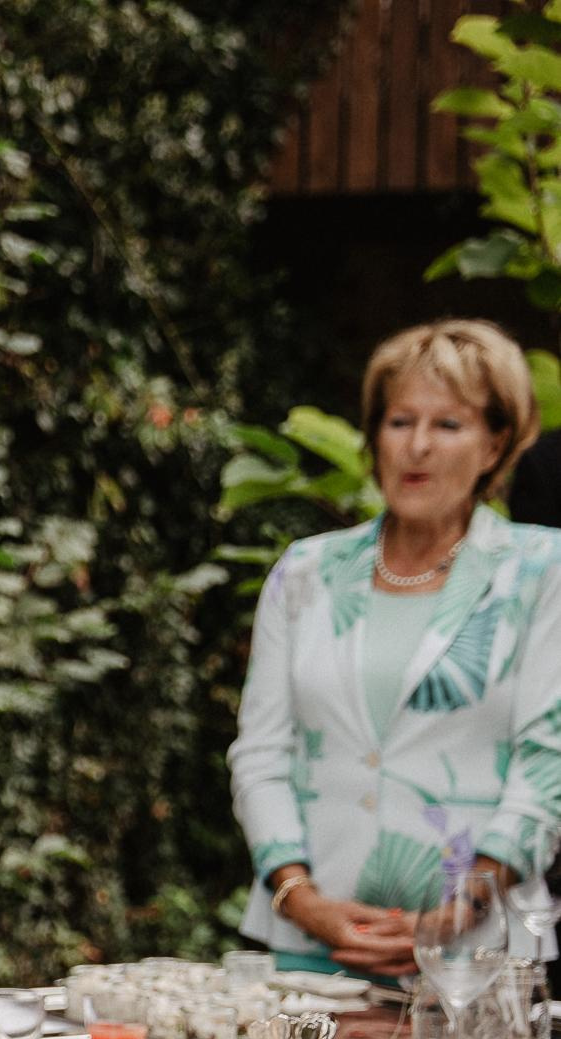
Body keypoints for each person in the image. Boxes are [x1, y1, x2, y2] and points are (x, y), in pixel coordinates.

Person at [230, 319, 561, 978]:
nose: (418, 447)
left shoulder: (543, 569)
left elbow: (548, 759)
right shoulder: (305, 573)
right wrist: (300, 898)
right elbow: (260, 753)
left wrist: (459, 911)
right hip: (311, 951)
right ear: (374, 436)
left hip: (479, 959)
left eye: (448, 426)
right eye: (400, 421)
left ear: (496, 443)